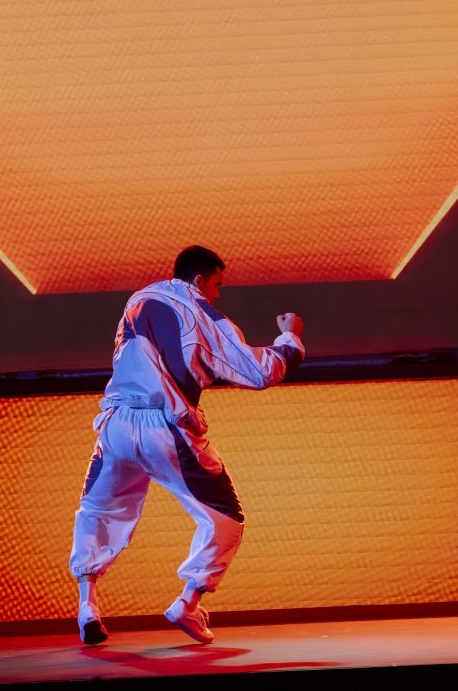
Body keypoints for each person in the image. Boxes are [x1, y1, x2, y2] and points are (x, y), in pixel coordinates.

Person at [68, 245, 306, 645]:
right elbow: (257, 372)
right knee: (225, 517)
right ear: (199, 280)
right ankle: (188, 603)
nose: (217, 294)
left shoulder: (139, 299)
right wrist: (290, 337)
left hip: (116, 422)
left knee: (99, 509)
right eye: (217, 284)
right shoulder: (201, 311)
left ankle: (86, 605)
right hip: (166, 425)